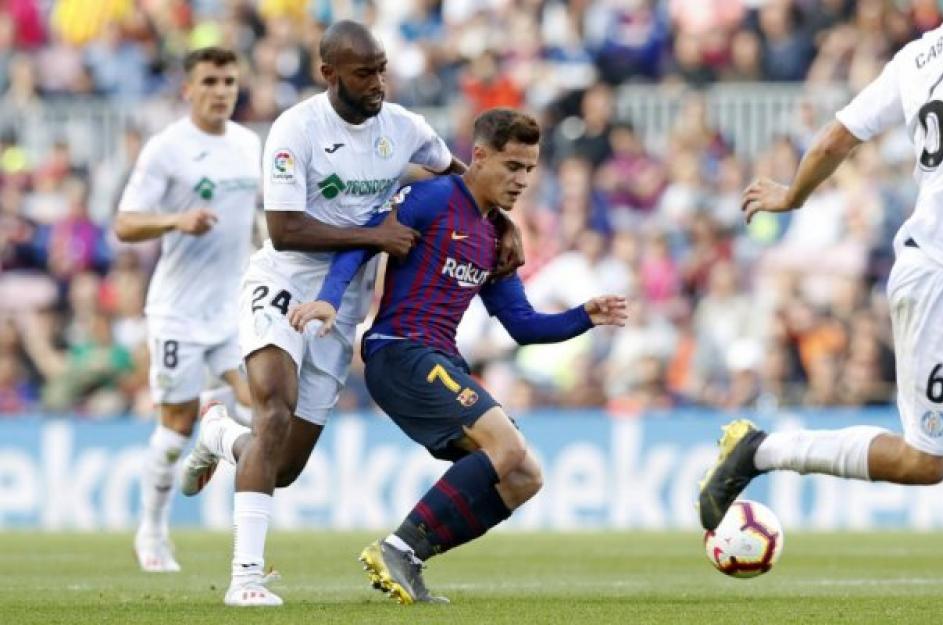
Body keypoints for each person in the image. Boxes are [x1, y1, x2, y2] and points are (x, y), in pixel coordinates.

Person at [177, 21, 523, 607]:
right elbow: (284, 230)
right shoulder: (296, 129)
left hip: (342, 310)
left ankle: (218, 433)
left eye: (382, 70)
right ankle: (246, 578)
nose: (378, 83)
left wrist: (503, 223)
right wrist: (374, 234)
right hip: (284, 284)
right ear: (329, 73)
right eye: (364, 73)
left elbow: (464, 183)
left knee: (283, 466)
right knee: (273, 408)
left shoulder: (405, 128)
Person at [697, 4, 943, 623]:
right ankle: (762, 450)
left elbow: (838, 136)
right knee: (926, 462)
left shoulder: (918, 54)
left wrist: (793, 195)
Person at [288, 107, 628, 604]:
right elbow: (362, 243)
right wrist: (329, 300)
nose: (523, 180)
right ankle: (398, 547)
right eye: (513, 166)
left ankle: (412, 555)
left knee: (524, 476)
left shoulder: (497, 234)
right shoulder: (431, 197)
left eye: (530, 169)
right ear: (480, 156)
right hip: (399, 350)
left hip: (440, 360)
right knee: (506, 446)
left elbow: (522, 324)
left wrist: (584, 316)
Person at [114, 47, 258, 573]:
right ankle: (152, 529)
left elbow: (255, 217)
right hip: (178, 310)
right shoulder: (167, 149)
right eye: (210, 81)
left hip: (233, 307)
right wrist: (175, 221)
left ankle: (213, 435)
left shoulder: (249, 144)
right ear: (188, 89)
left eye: (229, 81)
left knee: (261, 407)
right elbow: (125, 223)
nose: (221, 91)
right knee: (173, 428)